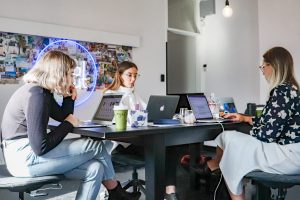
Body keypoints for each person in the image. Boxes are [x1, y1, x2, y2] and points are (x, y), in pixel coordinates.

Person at [0, 50, 141, 200]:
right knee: (96, 146)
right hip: (23, 159)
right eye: (70, 74)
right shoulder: (37, 95)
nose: (72, 78)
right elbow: (40, 146)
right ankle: (116, 192)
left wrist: (69, 98)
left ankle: (115, 193)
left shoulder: (42, 92)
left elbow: (61, 116)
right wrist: (68, 124)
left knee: (95, 168)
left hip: (26, 156)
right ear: (59, 74)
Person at [196, 47, 300, 200]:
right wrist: (245, 118)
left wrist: (244, 132)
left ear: (274, 66)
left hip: (288, 157)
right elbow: (272, 121)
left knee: (230, 138)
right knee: (231, 140)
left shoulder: (281, 92)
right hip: (293, 152)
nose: (262, 71)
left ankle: (216, 167)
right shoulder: (292, 90)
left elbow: (266, 135)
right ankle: (215, 165)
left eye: (263, 66)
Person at [103, 61, 181, 200]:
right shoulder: (111, 94)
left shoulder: (134, 94)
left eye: (135, 76)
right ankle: (166, 192)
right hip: (122, 145)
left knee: (171, 147)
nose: (133, 79)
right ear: (119, 75)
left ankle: (170, 191)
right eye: (129, 75)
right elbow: (116, 123)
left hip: (138, 141)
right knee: (164, 149)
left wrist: (169, 115)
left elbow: (148, 112)